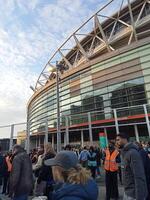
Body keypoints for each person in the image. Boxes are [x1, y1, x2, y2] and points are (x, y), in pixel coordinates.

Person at [116, 133, 148, 200]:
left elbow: (139, 176)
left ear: (124, 139)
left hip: (133, 195)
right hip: (127, 192)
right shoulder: (124, 153)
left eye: (118, 140)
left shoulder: (132, 153)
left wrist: (139, 197)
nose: (117, 142)